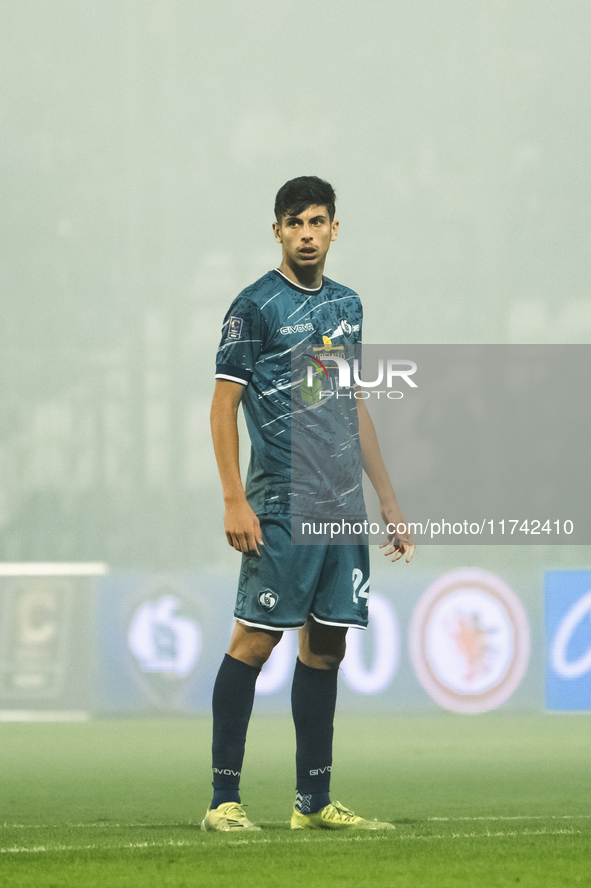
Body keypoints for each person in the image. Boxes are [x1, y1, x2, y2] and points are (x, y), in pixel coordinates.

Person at [203, 176, 414, 832]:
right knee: (255, 641)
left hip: (342, 506)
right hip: (282, 500)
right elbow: (222, 405)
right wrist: (234, 499)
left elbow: (349, 407)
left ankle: (312, 804)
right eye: (293, 222)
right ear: (276, 230)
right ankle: (222, 802)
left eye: (317, 221)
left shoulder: (347, 305)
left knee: (325, 650)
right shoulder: (254, 307)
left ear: (333, 229)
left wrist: (386, 499)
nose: (305, 233)